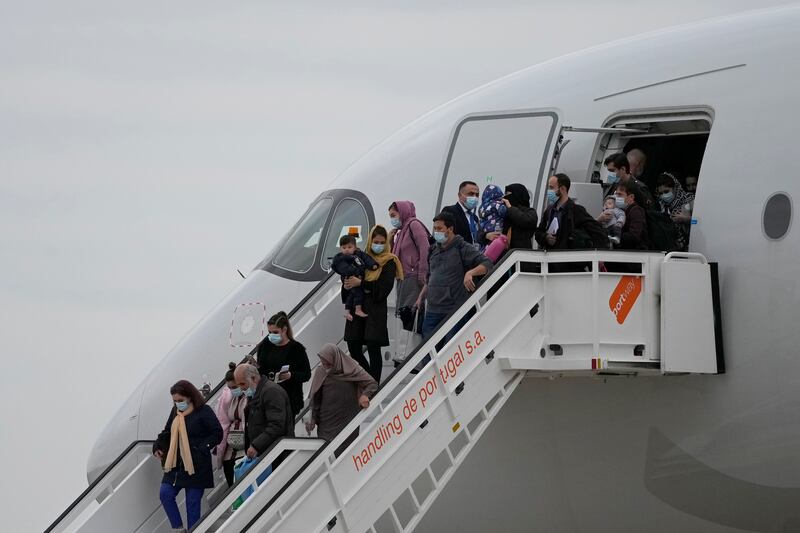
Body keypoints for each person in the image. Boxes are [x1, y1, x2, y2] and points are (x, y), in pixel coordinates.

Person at [153, 380, 223, 532]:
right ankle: (178, 529)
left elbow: (217, 433)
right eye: (175, 401)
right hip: (176, 465)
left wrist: (202, 448)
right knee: (165, 493)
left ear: (190, 397)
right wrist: (157, 445)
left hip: (196, 465)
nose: (178, 404)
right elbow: (167, 431)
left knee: (192, 505)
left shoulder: (204, 411)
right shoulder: (175, 412)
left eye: (180, 400)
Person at [418, 211, 492, 342]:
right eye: (435, 228)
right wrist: (421, 298)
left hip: (452, 310)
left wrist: (470, 273)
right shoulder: (433, 250)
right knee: (427, 351)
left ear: (450, 229)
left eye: (439, 228)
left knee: (449, 348)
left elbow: (487, 264)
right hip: (432, 309)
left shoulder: (462, 247)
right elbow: (430, 277)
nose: (436, 232)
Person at [344, 225, 402, 384]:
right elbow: (350, 279)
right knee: (353, 346)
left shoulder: (390, 261)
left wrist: (361, 284)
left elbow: (382, 290)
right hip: (358, 306)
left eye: (382, 242)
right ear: (370, 241)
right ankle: (369, 380)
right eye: (376, 241)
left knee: (373, 348)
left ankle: (373, 385)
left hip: (375, 311)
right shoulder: (361, 257)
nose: (379, 245)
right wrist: (348, 284)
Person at [305, 344, 378, 442]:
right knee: (325, 453)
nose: (326, 367)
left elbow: (372, 383)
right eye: (323, 363)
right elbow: (315, 398)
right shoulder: (321, 371)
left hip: (348, 420)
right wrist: (313, 419)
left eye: (328, 364)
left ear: (336, 359)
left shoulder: (352, 369)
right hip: (326, 424)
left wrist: (365, 395)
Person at [388, 201, 430, 356]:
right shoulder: (401, 231)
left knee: (411, 314)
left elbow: (424, 247)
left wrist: (422, 273)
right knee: (405, 314)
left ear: (403, 212)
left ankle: (411, 353)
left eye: (394, 215)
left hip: (413, 277)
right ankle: (406, 352)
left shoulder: (414, 225)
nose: (392, 219)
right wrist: (391, 239)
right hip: (403, 278)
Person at [256, 311, 311, 418]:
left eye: (275, 332)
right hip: (267, 397)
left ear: (284, 330)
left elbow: (306, 374)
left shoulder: (296, 349)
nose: (271, 336)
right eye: (269, 332)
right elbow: (261, 367)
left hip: (288, 399)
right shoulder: (265, 346)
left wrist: (291, 375)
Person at [234, 364, 294, 460]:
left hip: (277, 453)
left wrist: (256, 445)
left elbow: (277, 425)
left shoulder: (271, 392)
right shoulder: (256, 393)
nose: (241, 389)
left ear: (253, 378)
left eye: (242, 384)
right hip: (266, 452)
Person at [535, 174, 607, 250]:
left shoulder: (576, 210)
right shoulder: (549, 210)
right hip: (550, 256)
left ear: (562, 189)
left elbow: (596, 230)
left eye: (551, 188)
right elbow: (539, 232)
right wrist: (546, 237)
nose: (549, 191)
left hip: (567, 257)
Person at [213, 363, 248, 488]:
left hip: (246, 447)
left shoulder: (250, 396)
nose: (233, 390)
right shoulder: (228, 400)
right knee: (232, 484)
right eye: (230, 388)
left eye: (234, 387)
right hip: (231, 449)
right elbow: (223, 425)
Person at [331, 234, 378, 321]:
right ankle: (358, 309)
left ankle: (347, 311)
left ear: (355, 247)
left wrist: (373, 265)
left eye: (349, 247)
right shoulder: (341, 258)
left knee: (351, 295)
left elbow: (367, 259)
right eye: (344, 248)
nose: (347, 250)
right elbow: (344, 269)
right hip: (350, 278)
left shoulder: (359, 254)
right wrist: (355, 273)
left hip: (358, 278)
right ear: (340, 248)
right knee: (358, 293)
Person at [482, 183, 538, 252]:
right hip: (503, 259)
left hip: (521, 258)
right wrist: (486, 235)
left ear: (517, 194)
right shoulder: (501, 211)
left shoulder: (529, 211)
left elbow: (527, 221)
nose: (505, 197)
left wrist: (510, 208)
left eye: (508, 194)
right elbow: (482, 228)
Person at [654, 172, 694, 250]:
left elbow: (699, 222)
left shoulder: (689, 199)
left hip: (692, 246)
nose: (664, 196)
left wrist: (685, 219)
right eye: (661, 193)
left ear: (675, 188)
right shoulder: (661, 206)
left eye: (666, 191)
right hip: (671, 250)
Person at [441, 180, 481, 246]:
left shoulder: (475, 218)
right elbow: (445, 238)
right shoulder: (450, 211)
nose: (475, 197)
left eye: (477, 195)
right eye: (471, 194)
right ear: (459, 195)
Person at [615, 182, 649, 250]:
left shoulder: (636, 211)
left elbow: (634, 236)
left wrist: (614, 236)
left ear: (631, 197)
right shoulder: (621, 211)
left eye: (620, 195)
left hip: (636, 253)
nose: (616, 198)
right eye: (616, 194)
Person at [477, 184, 508, 252]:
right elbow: (504, 212)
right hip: (495, 230)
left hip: (486, 231)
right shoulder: (497, 204)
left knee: (486, 248)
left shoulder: (481, 207)